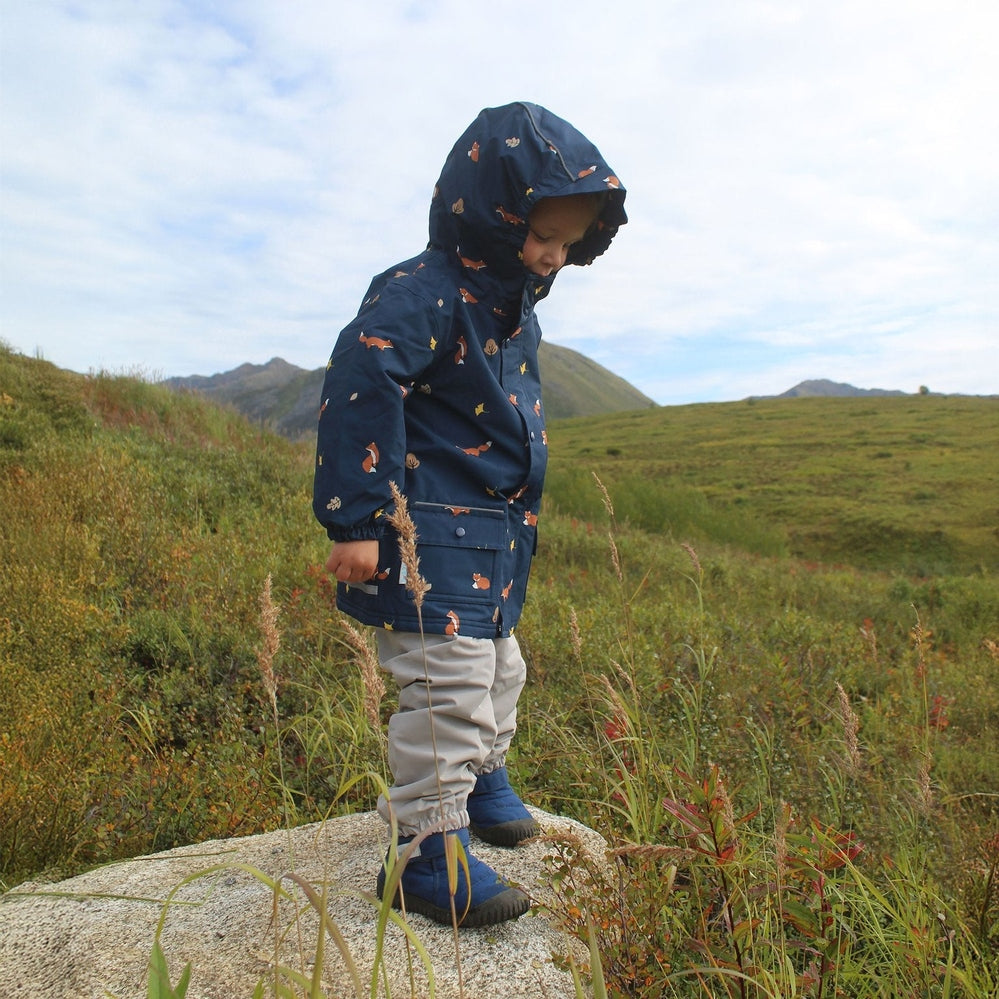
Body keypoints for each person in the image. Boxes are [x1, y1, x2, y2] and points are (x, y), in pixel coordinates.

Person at [313, 101, 626, 927]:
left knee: (501, 670)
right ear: (492, 214)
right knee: (445, 686)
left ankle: (482, 779)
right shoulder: (423, 292)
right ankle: (423, 850)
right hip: (421, 532)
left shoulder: (513, 311)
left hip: (490, 536)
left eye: (568, 243)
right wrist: (355, 517)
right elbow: (363, 376)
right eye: (541, 236)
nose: (554, 257)